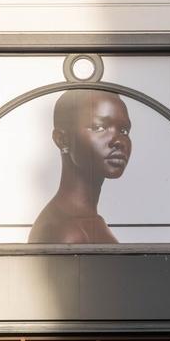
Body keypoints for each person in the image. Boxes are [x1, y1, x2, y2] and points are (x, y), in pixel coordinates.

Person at [28, 89, 132, 245]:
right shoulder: (66, 231)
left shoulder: (81, 220)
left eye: (124, 130)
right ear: (62, 140)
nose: (119, 141)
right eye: (98, 127)